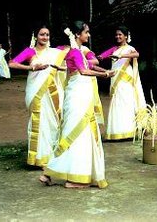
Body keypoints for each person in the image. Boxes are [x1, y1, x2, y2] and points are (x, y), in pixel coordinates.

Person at [40, 21, 114, 188]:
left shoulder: (79, 52)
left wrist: (105, 71)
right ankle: (75, 179)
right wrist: (104, 76)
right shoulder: (74, 52)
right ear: (77, 35)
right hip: (78, 96)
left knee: (72, 133)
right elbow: (84, 71)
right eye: (86, 32)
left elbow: (89, 65)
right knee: (77, 134)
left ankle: (48, 173)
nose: (88, 35)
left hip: (79, 94)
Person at [9, 26, 69, 168]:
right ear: (35, 36)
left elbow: (71, 57)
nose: (45, 37)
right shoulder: (30, 51)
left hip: (53, 92)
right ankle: (38, 158)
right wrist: (31, 68)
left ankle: (50, 155)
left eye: (47, 35)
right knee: (40, 122)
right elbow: (12, 63)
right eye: (42, 34)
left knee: (53, 122)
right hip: (36, 92)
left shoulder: (55, 53)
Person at [97, 26, 146, 140]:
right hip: (115, 79)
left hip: (126, 80)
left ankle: (129, 131)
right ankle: (116, 132)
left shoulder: (130, 48)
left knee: (126, 103)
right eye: (116, 35)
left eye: (120, 34)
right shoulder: (114, 49)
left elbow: (136, 55)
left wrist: (121, 56)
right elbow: (102, 56)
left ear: (125, 36)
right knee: (117, 102)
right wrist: (97, 58)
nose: (118, 36)